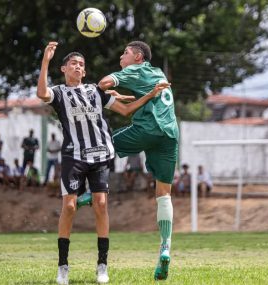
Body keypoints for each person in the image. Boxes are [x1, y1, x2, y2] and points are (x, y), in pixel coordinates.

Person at [37, 41, 170, 285]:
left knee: (100, 205)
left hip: (99, 157)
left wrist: (150, 95)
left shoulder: (95, 91)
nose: (78, 67)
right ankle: (63, 267)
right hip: (73, 156)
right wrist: (45, 61)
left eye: (81, 64)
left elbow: (125, 110)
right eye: (73, 64)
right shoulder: (58, 92)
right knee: (68, 208)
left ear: (85, 72)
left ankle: (102, 266)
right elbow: (41, 93)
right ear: (64, 69)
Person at [98, 40, 178, 280]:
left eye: (125, 53)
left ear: (138, 57)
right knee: (164, 194)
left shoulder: (134, 69)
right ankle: (165, 248)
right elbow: (146, 95)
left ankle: (87, 192)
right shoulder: (157, 73)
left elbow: (103, 83)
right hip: (170, 134)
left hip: (148, 129)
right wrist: (121, 95)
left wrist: (108, 88)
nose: (121, 57)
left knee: (103, 145)